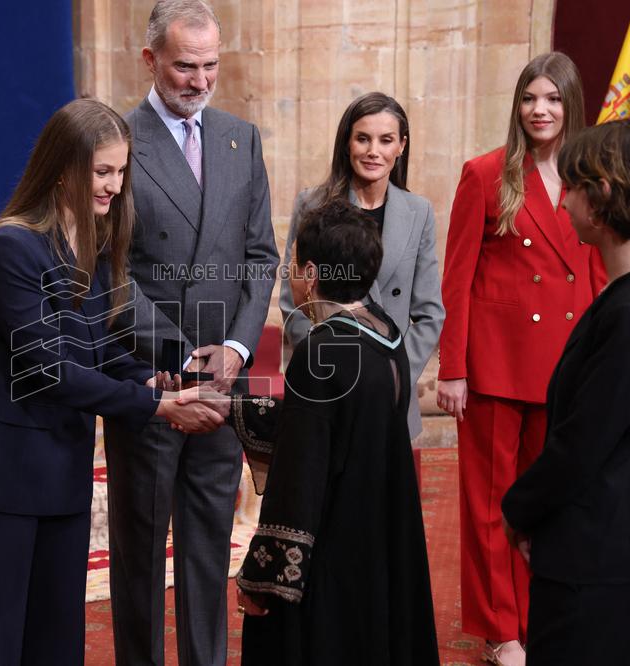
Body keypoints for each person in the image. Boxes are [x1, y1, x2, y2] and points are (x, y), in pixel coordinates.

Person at [0, 98, 223, 665]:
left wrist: (154, 377)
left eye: (120, 171)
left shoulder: (92, 243)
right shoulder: (9, 246)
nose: (114, 186)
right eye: (102, 171)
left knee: (54, 643)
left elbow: (99, 347)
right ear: (63, 168)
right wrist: (157, 407)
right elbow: (49, 368)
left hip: (59, 468)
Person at [102, 2, 279, 664]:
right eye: (184, 65)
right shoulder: (117, 140)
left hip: (222, 383)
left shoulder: (242, 137)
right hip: (154, 378)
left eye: (210, 65)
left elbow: (260, 257)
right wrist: (179, 355)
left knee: (209, 550)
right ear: (150, 60)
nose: (199, 80)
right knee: (142, 554)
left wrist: (234, 350)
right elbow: (111, 273)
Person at [196, 198, 439, 664]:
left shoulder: (321, 351)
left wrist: (264, 581)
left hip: (330, 566)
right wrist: (233, 407)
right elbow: (323, 426)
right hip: (378, 549)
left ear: (309, 273)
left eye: (291, 265)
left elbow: (298, 478)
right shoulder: (386, 337)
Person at [436, 52, 607, 665]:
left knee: (551, 500)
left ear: (571, 106)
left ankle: (539, 617)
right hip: (496, 366)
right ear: (518, 105)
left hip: (566, 366)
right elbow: (454, 280)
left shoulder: (595, 175)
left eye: (553, 99)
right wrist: (452, 368)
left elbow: (598, 271)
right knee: (491, 505)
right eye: (530, 98)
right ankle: (500, 629)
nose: (540, 110)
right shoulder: (485, 174)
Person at [502, 118, 630, 665]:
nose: (563, 204)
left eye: (573, 187)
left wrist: (520, 510)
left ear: (602, 195)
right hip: (624, 540)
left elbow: (582, 444)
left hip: (601, 552)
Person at [279, 92, 444, 440]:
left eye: (386, 140)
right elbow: (291, 300)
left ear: (401, 146)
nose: (373, 151)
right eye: (363, 138)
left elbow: (430, 314)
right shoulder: (312, 204)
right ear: (347, 142)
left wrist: (393, 372)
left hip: (392, 389)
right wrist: (326, 367)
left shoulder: (420, 213)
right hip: (327, 384)